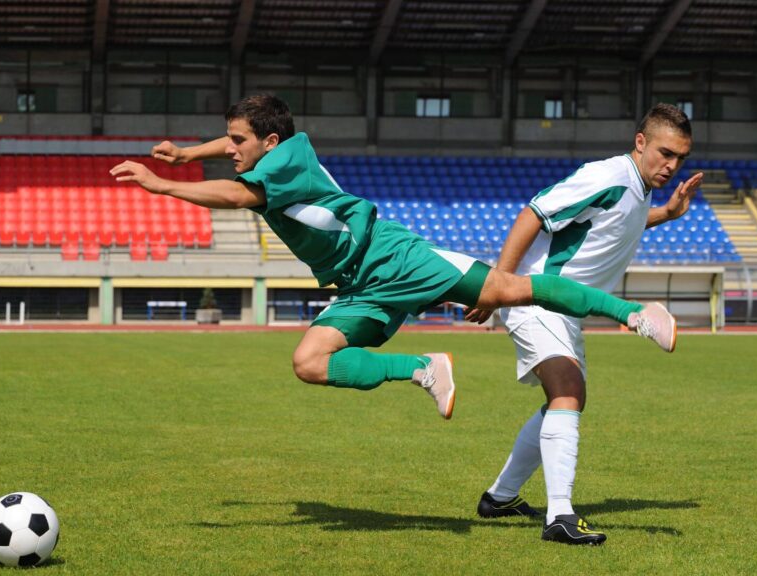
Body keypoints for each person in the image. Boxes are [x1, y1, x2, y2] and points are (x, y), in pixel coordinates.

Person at [109, 94, 677, 424]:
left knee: (510, 289)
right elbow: (242, 148)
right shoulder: (277, 148)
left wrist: (163, 183)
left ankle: (634, 314)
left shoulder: (278, 169)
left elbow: (236, 193)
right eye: (226, 139)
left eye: (236, 141)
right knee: (309, 362)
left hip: (392, 256)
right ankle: (424, 367)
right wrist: (189, 152)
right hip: (359, 284)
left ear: (269, 144)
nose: (229, 148)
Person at [467, 103, 701, 545]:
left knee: (569, 398)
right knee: (568, 391)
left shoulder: (639, 186)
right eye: (666, 153)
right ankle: (559, 516)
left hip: (568, 311)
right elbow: (534, 213)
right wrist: (498, 284)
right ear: (640, 142)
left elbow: (618, 223)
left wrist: (668, 214)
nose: (672, 165)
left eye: (681, 158)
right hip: (539, 297)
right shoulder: (608, 175)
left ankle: (500, 497)